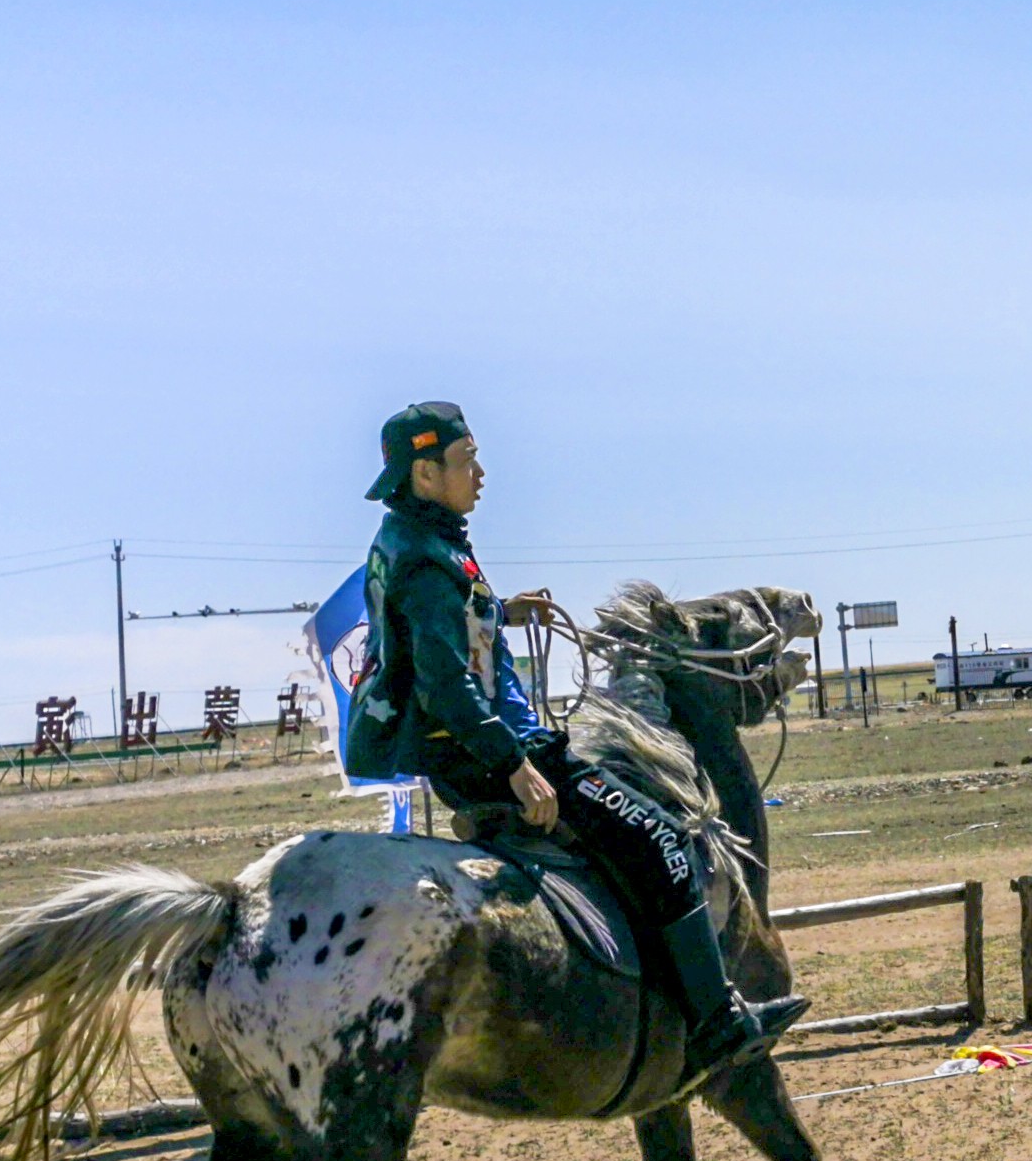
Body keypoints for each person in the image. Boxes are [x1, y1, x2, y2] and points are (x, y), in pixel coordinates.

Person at [343, 401, 804, 1085]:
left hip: (472, 751)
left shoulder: (413, 542)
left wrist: (504, 611)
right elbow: (444, 682)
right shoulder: (425, 561)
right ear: (424, 472)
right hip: (491, 753)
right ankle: (714, 1023)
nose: (481, 473)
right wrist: (517, 766)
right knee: (662, 842)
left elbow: (439, 634)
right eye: (466, 459)